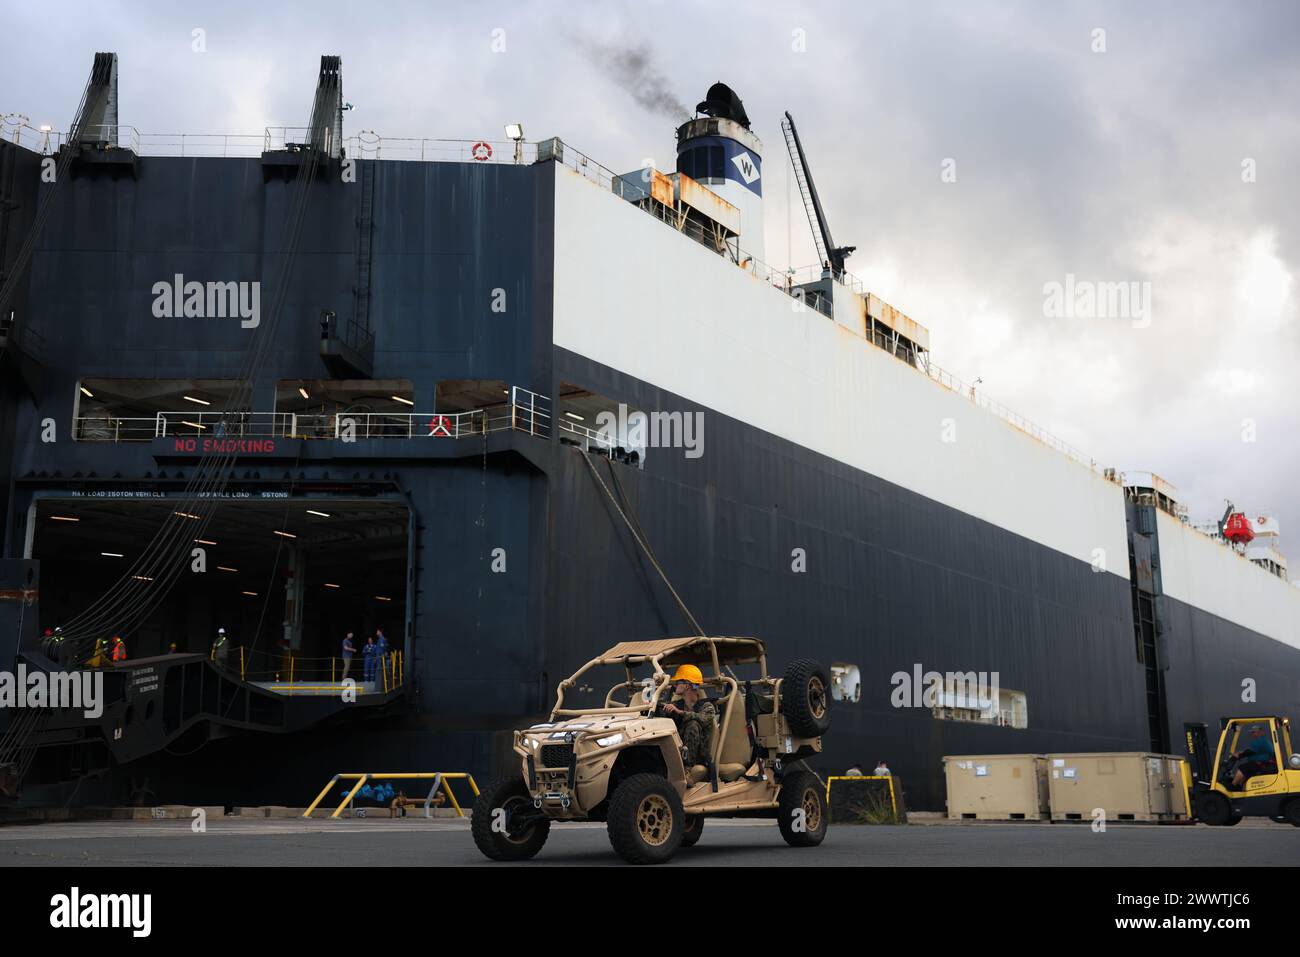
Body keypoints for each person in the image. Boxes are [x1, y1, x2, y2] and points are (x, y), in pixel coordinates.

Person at [658, 664, 716, 768]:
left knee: (693, 724)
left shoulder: (707, 707)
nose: (675, 685)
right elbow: (664, 711)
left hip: (698, 755)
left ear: (686, 685)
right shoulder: (677, 705)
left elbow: (702, 719)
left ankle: (687, 769)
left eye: (677, 682)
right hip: (677, 751)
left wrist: (680, 712)